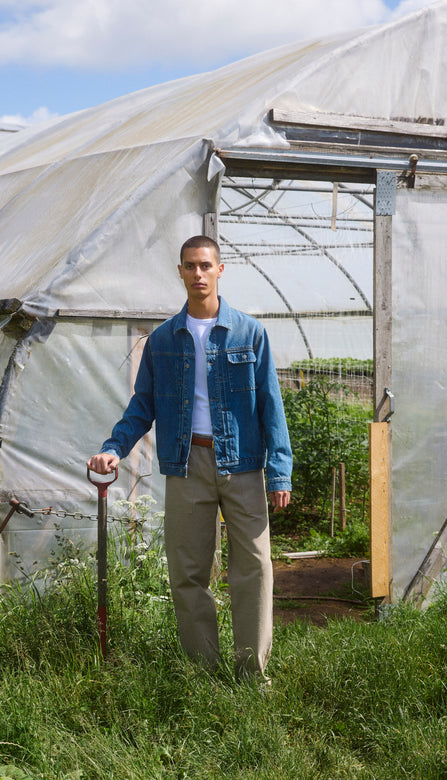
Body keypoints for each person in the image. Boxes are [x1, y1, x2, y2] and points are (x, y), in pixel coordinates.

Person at [87, 235, 292, 680]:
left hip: (242, 465)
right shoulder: (163, 339)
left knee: (254, 568)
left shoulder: (250, 333)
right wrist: (112, 449)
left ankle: (250, 674)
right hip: (186, 465)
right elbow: (143, 405)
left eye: (205, 265)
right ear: (179, 272)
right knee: (188, 572)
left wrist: (279, 472)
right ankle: (203, 670)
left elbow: (271, 407)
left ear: (221, 270)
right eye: (189, 266)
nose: (197, 274)